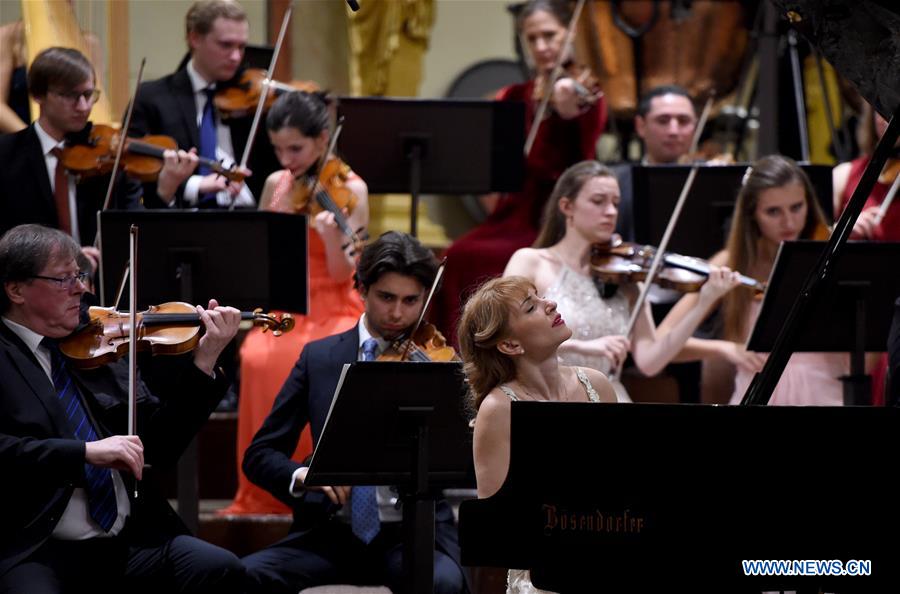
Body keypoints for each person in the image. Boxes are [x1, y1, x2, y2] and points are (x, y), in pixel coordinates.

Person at [0, 223, 244, 593]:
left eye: (80, 275)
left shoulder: (100, 345)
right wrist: (84, 452)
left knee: (218, 568)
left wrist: (205, 361)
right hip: (38, 546)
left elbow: (161, 447)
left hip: (127, 542)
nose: (81, 288)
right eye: (63, 279)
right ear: (15, 289)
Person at [240, 231, 465, 594]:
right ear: (361, 288)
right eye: (386, 297)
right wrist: (303, 475)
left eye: (411, 300)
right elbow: (259, 455)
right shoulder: (320, 358)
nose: (397, 313)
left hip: (411, 533)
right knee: (243, 576)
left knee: (442, 584)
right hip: (328, 532)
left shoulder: (436, 360)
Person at [225, 90, 369, 515]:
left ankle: (323, 486)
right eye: (277, 149)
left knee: (306, 355)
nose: (287, 159)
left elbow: (348, 273)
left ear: (322, 140)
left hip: (334, 301)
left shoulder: (352, 189)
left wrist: (329, 237)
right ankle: (264, 490)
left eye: (296, 148)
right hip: (287, 303)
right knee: (256, 355)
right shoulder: (276, 183)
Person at [434, 0, 607, 345]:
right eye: (533, 39)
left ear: (570, 32)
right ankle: (457, 353)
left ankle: (504, 345)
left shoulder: (585, 92)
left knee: (483, 256)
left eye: (550, 36)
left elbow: (583, 157)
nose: (542, 47)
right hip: (511, 214)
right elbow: (498, 167)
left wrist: (567, 110)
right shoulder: (515, 95)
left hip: (555, 217)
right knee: (456, 256)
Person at [503, 160, 741, 402]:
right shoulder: (530, 261)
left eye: (615, 203)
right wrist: (584, 347)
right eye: (598, 201)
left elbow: (650, 362)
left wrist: (704, 302)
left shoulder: (626, 278)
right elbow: (507, 335)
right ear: (567, 206)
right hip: (549, 395)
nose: (611, 211)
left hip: (609, 395)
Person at [457, 275, 616, 594]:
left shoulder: (596, 383)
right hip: (543, 571)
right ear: (510, 345)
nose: (550, 304)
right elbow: (497, 527)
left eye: (540, 297)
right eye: (531, 307)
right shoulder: (499, 409)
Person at [660, 155, 839, 405]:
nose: (788, 222)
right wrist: (725, 349)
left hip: (826, 393)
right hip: (758, 395)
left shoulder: (830, 255)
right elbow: (662, 342)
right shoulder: (731, 262)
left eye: (797, 207)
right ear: (752, 214)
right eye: (773, 211)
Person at [0, 47, 197, 272]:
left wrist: (165, 191)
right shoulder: (6, 156)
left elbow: (137, 231)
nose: (83, 107)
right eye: (69, 96)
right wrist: (61, 259)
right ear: (37, 95)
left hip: (102, 291)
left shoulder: (111, 157)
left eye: (89, 95)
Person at [130, 0, 278, 209]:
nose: (236, 57)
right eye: (226, 45)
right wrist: (196, 185)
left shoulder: (253, 98)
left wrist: (274, 206)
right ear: (195, 38)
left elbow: (279, 171)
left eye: (241, 46)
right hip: (184, 220)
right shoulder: (152, 98)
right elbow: (134, 175)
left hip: (251, 216)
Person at [832, 104, 900, 242]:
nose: (888, 120)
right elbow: (815, 236)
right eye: (882, 111)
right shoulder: (843, 175)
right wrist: (839, 230)